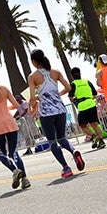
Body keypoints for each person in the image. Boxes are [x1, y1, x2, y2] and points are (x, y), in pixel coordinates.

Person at [28, 50, 84, 178]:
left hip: (46, 113)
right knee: (62, 138)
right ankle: (74, 151)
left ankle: (66, 167)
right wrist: (57, 95)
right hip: (60, 109)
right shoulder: (56, 72)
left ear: (34, 61)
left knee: (52, 142)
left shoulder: (32, 76)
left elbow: (32, 98)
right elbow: (69, 88)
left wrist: (34, 103)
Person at [0, 65, 31, 189]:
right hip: (10, 122)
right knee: (14, 153)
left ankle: (15, 171)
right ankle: (24, 179)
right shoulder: (4, 89)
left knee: (2, 154)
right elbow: (16, 105)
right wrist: (4, 108)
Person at [69, 67, 107, 150]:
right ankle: (101, 141)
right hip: (91, 104)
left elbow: (71, 97)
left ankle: (94, 136)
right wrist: (90, 98)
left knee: (82, 125)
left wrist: (76, 102)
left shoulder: (73, 84)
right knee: (94, 124)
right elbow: (95, 93)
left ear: (72, 75)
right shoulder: (87, 81)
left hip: (82, 106)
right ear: (80, 73)